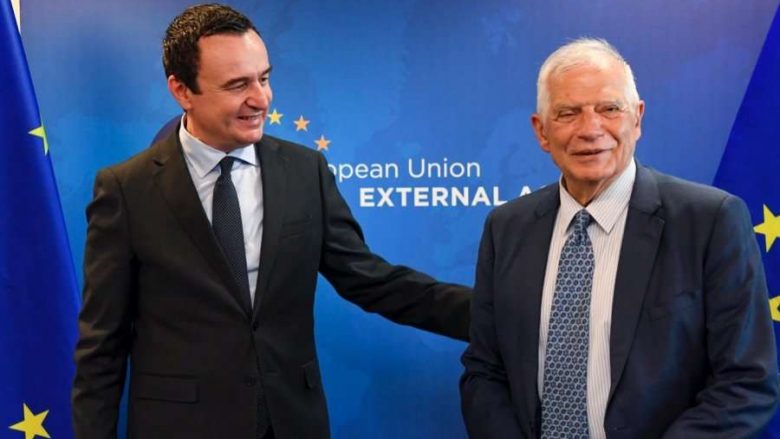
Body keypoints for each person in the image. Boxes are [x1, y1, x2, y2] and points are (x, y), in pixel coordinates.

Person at [71, 4, 470, 439]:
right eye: (237, 84)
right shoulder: (126, 189)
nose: (261, 99)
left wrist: (495, 313)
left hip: (291, 422)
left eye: (263, 78)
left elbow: (372, 280)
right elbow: (102, 344)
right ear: (182, 90)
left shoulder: (305, 172)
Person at [460, 38, 779, 438]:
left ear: (638, 118)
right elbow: (485, 370)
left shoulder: (710, 220)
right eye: (568, 113)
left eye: (609, 109)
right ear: (541, 131)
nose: (590, 129)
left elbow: (746, 381)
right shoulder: (506, 227)